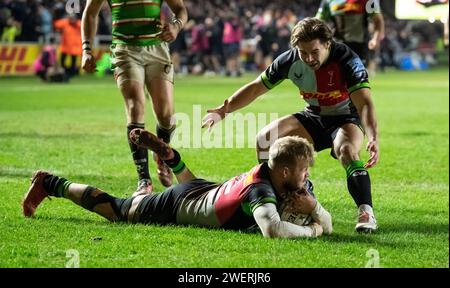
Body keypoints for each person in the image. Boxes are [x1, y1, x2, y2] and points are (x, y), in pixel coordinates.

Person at [202, 18, 379, 233]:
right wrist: (224, 110)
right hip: (312, 116)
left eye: (314, 52)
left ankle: (365, 211)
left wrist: (372, 137)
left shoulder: (347, 60)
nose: (308, 58)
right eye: (303, 53)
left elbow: (365, 103)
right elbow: (256, 87)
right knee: (265, 139)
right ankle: (282, 201)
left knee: (347, 149)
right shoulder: (290, 60)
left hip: (345, 118)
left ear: (327, 44)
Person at [22, 129, 332, 239]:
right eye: (304, 170)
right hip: (180, 202)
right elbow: (274, 232)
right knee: (118, 211)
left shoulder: (290, 184)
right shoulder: (260, 191)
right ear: (286, 171)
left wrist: (315, 207)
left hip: (204, 190)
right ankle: (50, 183)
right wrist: (312, 229)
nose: (309, 176)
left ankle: (171, 158)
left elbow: (327, 222)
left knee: (197, 191)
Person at [81, 0, 188, 196]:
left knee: (166, 116)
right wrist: (86, 49)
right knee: (135, 106)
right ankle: (143, 180)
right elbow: (90, 13)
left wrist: (175, 26)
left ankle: (161, 155)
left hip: (157, 48)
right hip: (125, 50)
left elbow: (180, 9)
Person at [316, 0, 385, 67]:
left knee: (358, 76)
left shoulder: (369, 1)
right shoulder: (328, 1)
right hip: (337, 46)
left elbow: (378, 20)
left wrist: (375, 39)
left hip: (359, 46)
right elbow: (317, 22)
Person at [54, 14, 82, 78]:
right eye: (70, 18)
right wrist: (66, 19)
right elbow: (56, 24)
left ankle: (71, 73)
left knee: (73, 62)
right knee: (62, 61)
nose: (72, 20)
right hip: (66, 46)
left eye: (73, 18)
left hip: (75, 47)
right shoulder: (65, 23)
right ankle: (66, 71)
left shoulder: (78, 24)